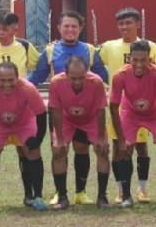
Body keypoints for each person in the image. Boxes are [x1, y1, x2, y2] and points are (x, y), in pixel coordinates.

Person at [29, 11, 109, 206]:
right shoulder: (50, 51)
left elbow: (103, 76)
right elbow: (36, 77)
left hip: (87, 109)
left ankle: (81, 192)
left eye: (74, 26)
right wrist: (20, 90)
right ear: (59, 28)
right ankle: (60, 193)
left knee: (82, 148)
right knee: (59, 150)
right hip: (61, 110)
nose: (70, 29)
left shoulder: (90, 50)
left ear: (80, 28)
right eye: (66, 26)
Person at [0, 12, 41, 206]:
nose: (0, 32)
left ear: (15, 28)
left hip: (22, 109)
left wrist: (29, 86)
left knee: (25, 149)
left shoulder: (25, 46)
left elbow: (40, 67)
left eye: (4, 29)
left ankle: (29, 195)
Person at [100, 8, 156, 203]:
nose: (124, 27)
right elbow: (95, 63)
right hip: (119, 107)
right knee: (119, 148)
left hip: (144, 106)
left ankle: (142, 189)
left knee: (142, 147)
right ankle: (121, 190)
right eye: (121, 23)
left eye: (129, 23)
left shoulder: (151, 47)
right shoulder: (109, 46)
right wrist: (106, 80)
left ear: (138, 24)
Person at [0, 62, 48, 211]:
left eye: (11, 80)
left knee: (33, 151)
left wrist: (37, 140)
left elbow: (41, 114)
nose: (7, 84)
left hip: (24, 121)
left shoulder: (28, 89)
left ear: (18, 78)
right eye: (2, 80)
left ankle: (37, 196)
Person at [109, 40, 156, 208]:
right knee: (124, 150)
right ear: (129, 58)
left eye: (143, 60)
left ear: (149, 59)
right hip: (130, 114)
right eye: (135, 60)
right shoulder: (120, 76)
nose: (139, 64)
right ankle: (126, 196)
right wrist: (121, 140)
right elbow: (114, 107)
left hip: (155, 113)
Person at [49, 56, 111, 210]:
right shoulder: (56, 82)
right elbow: (55, 110)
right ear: (66, 73)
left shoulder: (96, 82)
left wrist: (101, 137)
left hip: (91, 119)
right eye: (73, 78)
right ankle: (62, 197)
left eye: (81, 77)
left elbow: (101, 110)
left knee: (102, 151)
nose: (77, 81)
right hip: (66, 120)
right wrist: (59, 139)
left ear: (87, 72)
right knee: (59, 152)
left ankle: (102, 197)